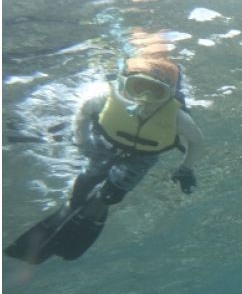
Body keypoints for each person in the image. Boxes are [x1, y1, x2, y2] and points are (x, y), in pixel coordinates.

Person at [5, 55, 204, 264]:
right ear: (123, 84)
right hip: (104, 145)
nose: (145, 98)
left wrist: (186, 169)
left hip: (143, 156)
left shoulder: (178, 117)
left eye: (156, 92)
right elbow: (83, 112)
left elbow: (197, 142)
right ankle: (71, 207)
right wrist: (83, 142)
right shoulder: (104, 97)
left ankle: (98, 205)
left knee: (112, 195)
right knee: (84, 185)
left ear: (168, 95)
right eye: (138, 87)